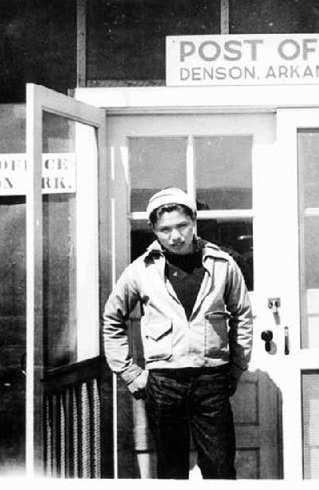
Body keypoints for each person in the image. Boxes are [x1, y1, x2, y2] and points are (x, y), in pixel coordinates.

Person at [103, 187, 253, 479]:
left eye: (182, 226)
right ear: (154, 230)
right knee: (171, 470)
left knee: (220, 468)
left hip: (211, 379)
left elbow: (243, 314)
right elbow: (112, 319)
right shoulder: (141, 270)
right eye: (165, 229)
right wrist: (129, 372)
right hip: (163, 382)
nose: (175, 236)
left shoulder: (223, 264)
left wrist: (236, 366)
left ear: (194, 221)